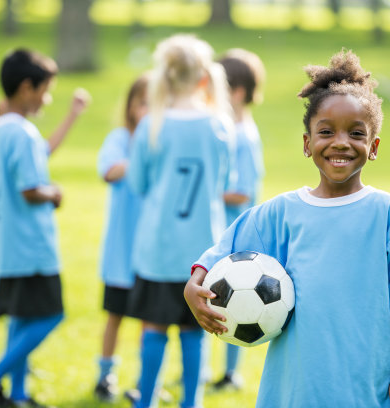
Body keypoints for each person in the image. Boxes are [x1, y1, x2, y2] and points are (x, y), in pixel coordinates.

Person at [185, 50, 390, 408]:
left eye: (356, 133)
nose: (341, 142)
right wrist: (195, 284)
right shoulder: (282, 212)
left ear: (373, 147)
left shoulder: (387, 213)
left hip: (364, 382)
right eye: (326, 131)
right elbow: (226, 246)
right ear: (307, 143)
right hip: (295, 385)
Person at [0, 49, 90, 408]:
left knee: (21, 317)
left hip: (5, 242)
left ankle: (16, 395)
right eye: (46, 90)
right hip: (31, 245)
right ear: (27, 87)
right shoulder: (25, 133)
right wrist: (55, 193)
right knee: (52, 314)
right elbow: (30, 190)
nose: (47, 98)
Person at [125, 34, 233, 408]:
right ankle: (191, 402)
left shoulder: (151, 126)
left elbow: (136, 182)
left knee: (154, 327)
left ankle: (146, 401)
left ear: (164, 79)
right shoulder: (219, 126)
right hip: (203, 250)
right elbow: (224, 183)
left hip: (157, 247)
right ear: (204, 78)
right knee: (194, 329)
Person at [211, 49, 266, 392]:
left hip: (237, 231)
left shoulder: (242, 135)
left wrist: (208, 193)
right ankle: (212, 370)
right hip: (227, 228)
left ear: (238, 92)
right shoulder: (235, 127)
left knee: (237, 303)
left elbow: (242, 192)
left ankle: (231, 373)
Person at [93, 75, 148, 402]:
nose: (147, 111)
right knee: (115, 317)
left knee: (148, 321)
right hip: (121, 252)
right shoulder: (120, 139)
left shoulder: (164, 143)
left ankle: (144, 380)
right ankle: (105, 376)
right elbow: (109, 171)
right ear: (129, 106)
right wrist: (138, 158)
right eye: (142, 103)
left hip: (150, 255)